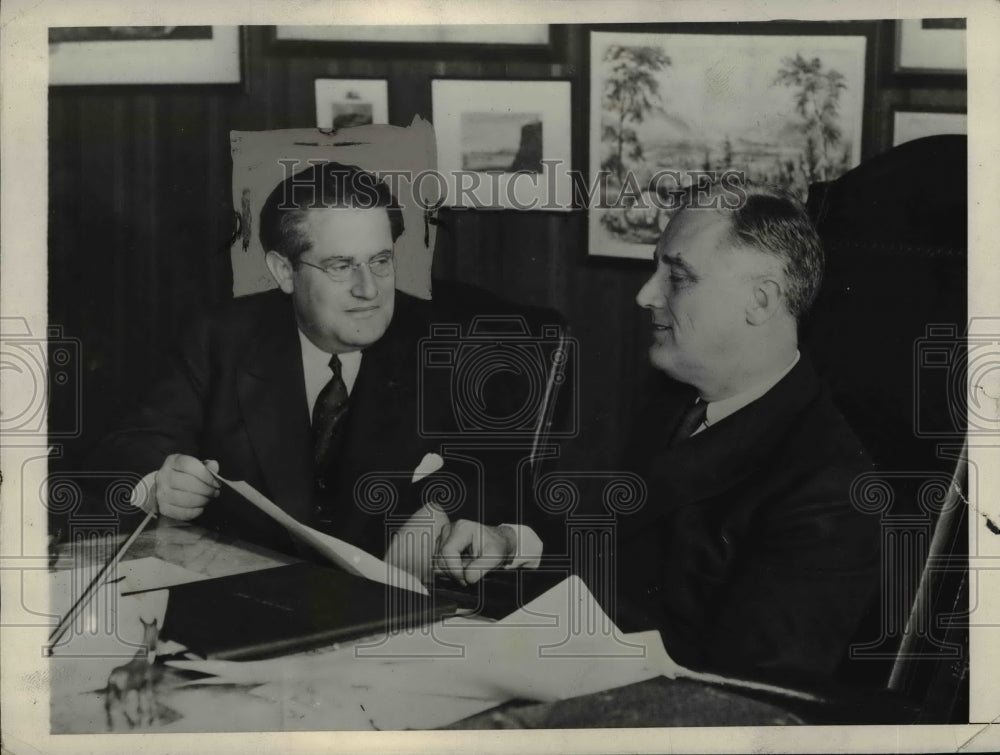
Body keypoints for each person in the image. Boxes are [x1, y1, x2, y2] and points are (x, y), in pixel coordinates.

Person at [90, 162, 538, 575]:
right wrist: (158, 484)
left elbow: (514, 483)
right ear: (284, 271)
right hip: (246, 598)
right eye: (341, 266)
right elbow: (136, 443)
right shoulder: (221, 338)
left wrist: (504, 539)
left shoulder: (451, 348)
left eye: (381, 261)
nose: (370, 290)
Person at [612, 181, 880, 686]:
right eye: (655, 268)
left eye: (678, 276)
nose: (646, 294)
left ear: (760, 301)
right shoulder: (671, 404)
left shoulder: (830, 490)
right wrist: (515, 542)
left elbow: (750, 701)